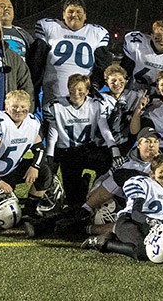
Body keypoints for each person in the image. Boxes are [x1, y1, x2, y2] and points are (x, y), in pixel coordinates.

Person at [43, 74, 121, 207]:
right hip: (67, 152)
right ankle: (83, 184)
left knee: (107, 163)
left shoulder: (96, 104)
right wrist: (50, 155)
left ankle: (98, 191)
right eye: (72, 88)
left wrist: (114, 149)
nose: (76, 92)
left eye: (80, 89)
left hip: (87, 148)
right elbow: (53, 132)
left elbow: (104, 128)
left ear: (87, 90)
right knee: (74, 201)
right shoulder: (55, 105)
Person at [0, 90, 53, 217]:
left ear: (28, 108)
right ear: (6, 106)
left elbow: (40, 149)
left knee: (44, 171)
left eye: (23, 107)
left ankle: (30, 210)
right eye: (14, 106)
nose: (19, 110)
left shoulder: (31, 122)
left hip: (12, 169)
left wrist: (34, 167)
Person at [27, 0, 110, 107]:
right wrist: (34, 90)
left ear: (85, 16)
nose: (74, 15)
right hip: (53, 97)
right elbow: (36, 62)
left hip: (84, 98)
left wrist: (95, 84)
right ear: (63, 15)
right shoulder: (50, 27)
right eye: (70, 11)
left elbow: (102, 65)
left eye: (79, 12)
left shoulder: (97, 33)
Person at [118, 20, 163, 91]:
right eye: (158, 35)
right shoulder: (138, 45)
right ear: (151, 36)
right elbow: (124, 71)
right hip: (135, 91)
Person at [98, 64, 148, 154]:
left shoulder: (136, 96)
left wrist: (141, 105)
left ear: (126, 81)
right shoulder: (101, 99)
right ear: (106, 83)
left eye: (120, 80)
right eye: (113, 81)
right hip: (103, 144)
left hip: (125, 142)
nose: (117, 84)